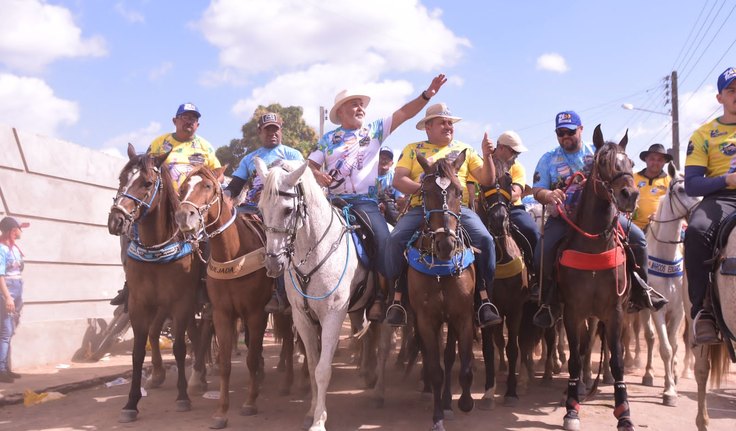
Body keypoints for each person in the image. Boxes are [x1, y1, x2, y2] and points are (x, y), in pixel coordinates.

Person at [308, 74, 448, 322]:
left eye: (361, 104)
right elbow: (309, 165)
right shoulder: (328, 139)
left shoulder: (374, 131)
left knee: (385, 241)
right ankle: (295, 298)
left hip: (365, 203)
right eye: (354, 104)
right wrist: (318, 175)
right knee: (298, 235)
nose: (360, 108)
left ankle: (383, 298)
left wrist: (427, 95)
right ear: (340, 112)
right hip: (332, 204)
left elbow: (404, 113)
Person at [531, 111, 667, 329]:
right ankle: (548, 299)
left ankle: (642, 290)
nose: (565, 136)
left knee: (639, 239)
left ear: (581, 130)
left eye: (570, 131)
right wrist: (547, 195)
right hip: (564, 217)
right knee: (542, 251)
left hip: (602, 218)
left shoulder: (598, 153)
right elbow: (537, 188)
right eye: (560, 132)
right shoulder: (548, 158)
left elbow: (620, 173)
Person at [383, 103, 502, 328]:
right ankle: (396, 299)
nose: (448, 126)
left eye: (450, 123)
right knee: (394, 239)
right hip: (422, 207)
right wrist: (426, 189)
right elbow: (399, 179)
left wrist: (487, 156)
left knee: (485, 240)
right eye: (442, 122)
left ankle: (484, 299)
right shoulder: (412, 149)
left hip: (459, 210)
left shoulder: (465, 149)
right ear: (428, 127)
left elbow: (487, 180)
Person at [110, 102, 222, 307]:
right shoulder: (160, 143)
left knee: (209, 238)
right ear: (175, 120)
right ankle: (130, 285)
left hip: (192, 204)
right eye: (185, 117)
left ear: (197, 124)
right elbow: (146, 170)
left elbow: (216, 177)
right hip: (162, 203)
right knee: (131, 232)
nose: (189, 121)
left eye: (194, 119)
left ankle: (203, 286)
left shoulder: (205, 147)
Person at [224, 112, 304, 313]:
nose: (272, 134)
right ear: (260, 132)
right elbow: (234, 187)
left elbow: (302, 185)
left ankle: (280, 293)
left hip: (280, 209)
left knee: (279, 242)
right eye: (267, 130)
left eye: (275, 129)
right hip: (252, 208)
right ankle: (212, 289)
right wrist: (221, 198)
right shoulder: (250, 158)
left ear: (281, 131)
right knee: (221, 231)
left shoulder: (293, 154)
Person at [683, 66, 736, 345]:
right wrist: (727, 179)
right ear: (720, 98)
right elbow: (692, 184)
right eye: (732, 90)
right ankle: (703, 311)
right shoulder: (704, 134)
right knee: (695, 231)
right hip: (722, 198)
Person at [492, 131, 542, 300]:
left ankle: (535, 277)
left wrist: (495, 196)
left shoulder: (517, 167)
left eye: (517, 153)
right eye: (514, 151)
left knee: (532, 231)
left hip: (513, 209)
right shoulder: (483, 164)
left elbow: (516, 192)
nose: (516, 156)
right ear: (500, 148)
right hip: (487, 210)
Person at [0, 217, 28, 383]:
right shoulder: (2, 249)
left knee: (10, 331)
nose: (21, 231)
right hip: (8, 289)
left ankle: (6, 367)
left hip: (17, 287)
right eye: (19, 228)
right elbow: (0, 276)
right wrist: (8, 297)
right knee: (5, 331)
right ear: (12, 230)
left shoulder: (15, 249)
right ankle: (1, 369)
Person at [632, 144, 673, 231]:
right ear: (646, 159)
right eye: (652, 159)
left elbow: (675, 206)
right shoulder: (632, 178)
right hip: (632, 227)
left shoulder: (670, 182)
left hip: (659, 228)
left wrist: (660, 215)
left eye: (660, 160)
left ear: (665, 161)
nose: (655, 163)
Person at [373, 146, 407, 225]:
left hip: (389, 205)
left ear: (392, 163)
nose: (384, 160)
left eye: (387, 159)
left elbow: (399, 198)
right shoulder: (368, 175)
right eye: (381, 157)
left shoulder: (395, 177)